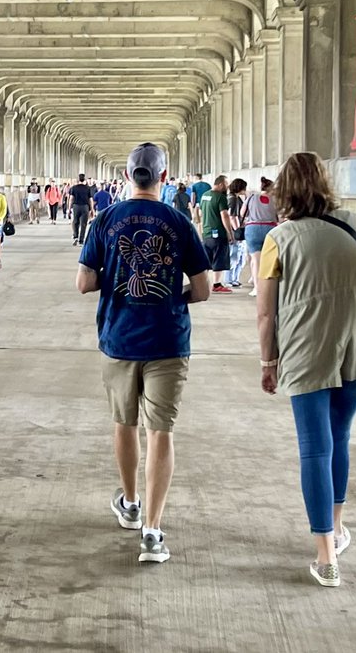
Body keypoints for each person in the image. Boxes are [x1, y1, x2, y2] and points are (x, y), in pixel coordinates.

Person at [255, 152, 356, 587]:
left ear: (283, 191)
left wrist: (267, 360)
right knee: (340, 437)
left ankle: (326, 556)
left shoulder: (278, 238)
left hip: (305, 346)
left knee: (315, 447)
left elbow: (265, 312)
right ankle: (335, 527)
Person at [77, 143, 210, 565]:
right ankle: (153, 531)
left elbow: (84, 282)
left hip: (119, 339)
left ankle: (130, 504)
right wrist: (172, 294)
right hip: (168, 341)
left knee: (124, 423)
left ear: (127, 174)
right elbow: (204, 289)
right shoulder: (180, 221)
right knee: (161, 432)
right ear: (164, 177)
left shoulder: (105, 219)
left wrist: (115, 280)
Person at [241, 177, 279, 298]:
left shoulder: (251, 197)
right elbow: (281, 216)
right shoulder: (276, 199)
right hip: (271, 229)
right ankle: (271, 288)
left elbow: (242, 213)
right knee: (271, 260)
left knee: (255, 260)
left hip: (253, 229)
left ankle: (257, 288)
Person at [199, 175, 232, 294]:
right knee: (219, 258)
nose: (227, 187)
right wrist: (230, 232)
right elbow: (224, 215)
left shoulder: (204, 195)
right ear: (221, 184)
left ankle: (202, 283)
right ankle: (217, 284)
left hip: (207, 232)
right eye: (227, 184)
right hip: (218, 232)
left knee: (206, 259)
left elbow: (200, 213)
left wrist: (201, 229)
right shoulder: (220, 197)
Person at [224, 178, 248, 288]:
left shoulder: (234, 198)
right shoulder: (233, 199)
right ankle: (229, 279)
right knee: (234, 256)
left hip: (237, 230)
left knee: (240, 257)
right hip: (235, 231)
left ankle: (234, 278)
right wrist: (237, 231)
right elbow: (232, 216)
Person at [69, 173, 94, 245]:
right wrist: (92, 209)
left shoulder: (74, 188)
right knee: (84, 223)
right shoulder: (88, 188)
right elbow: (90, 199)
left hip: (76, 206)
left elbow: (71, 199)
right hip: (85, 207)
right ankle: (81, 240)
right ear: (84, 179)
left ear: (78, 179)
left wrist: (69, 208)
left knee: (75, 222)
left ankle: (75, 236)